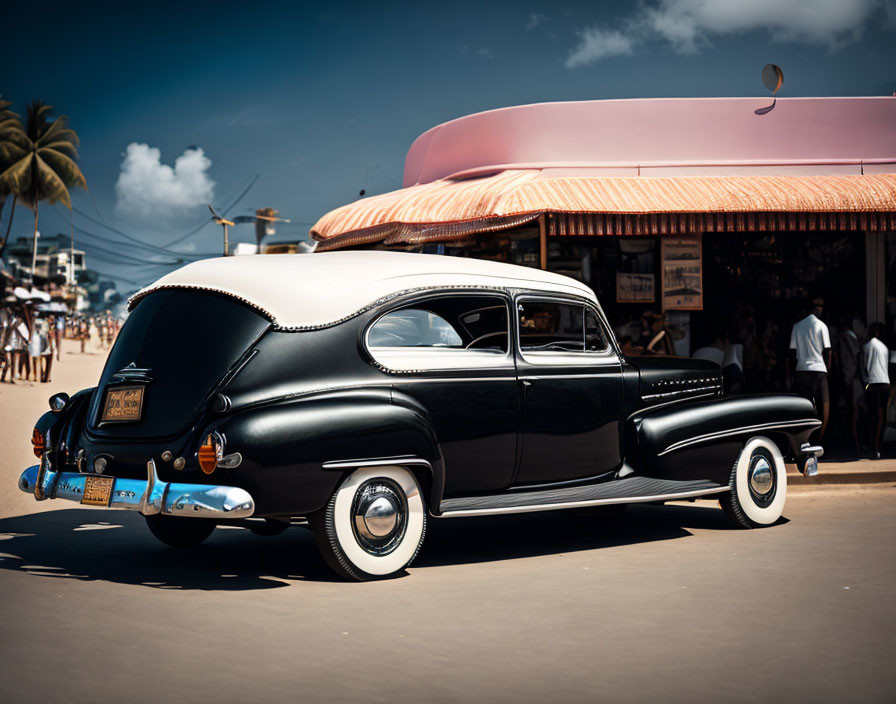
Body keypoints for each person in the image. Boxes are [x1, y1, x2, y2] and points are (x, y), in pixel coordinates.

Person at [789, 298, 831, 440]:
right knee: (824, 406)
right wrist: (828, 368)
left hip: (801, 369)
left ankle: (805, 440)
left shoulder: (797, 326)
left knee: (805, 408)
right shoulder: (822, 326)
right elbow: (828, 350)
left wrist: (790, 374)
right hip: (819, 370)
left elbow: (792, 353)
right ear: (815, 308)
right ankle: (819, 439)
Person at [837, 313, 865, 457]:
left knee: (853, 412)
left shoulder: (846, 338)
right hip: (854, 379)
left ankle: (856, 444)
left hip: (851, 379)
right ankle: (857, 445)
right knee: (855, 412)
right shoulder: (849, 338)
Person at [862, 323, 890, 459]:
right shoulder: (884, 347)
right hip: (885, 383)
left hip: (872, 384)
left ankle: (872, 446)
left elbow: (864, 366)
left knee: (872, 416)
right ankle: (878, 447)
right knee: (882, 417)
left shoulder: (866, 346)